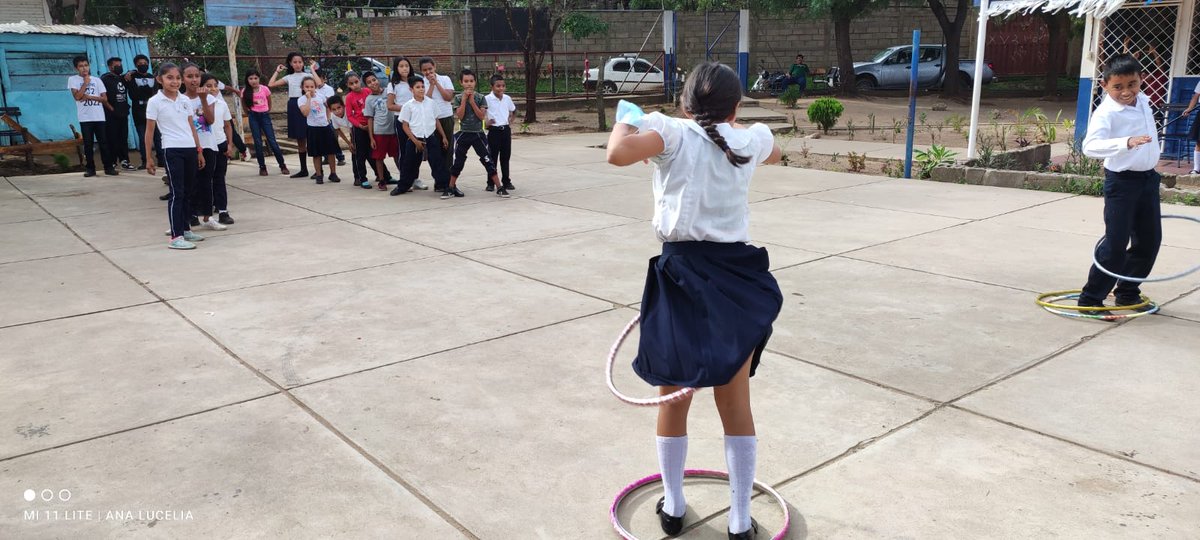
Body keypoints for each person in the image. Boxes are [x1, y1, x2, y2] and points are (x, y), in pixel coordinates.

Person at [604, 62, 783, 540]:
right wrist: (738, 134)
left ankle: (674, 507)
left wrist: (627, 117)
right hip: (736, 280)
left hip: (682, 276)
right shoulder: (750, 139)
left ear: (685, 105)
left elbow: (617, 153)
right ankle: (739, 521)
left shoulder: (672, 133)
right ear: (736, 107)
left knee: (673, 397)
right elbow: (775, 152)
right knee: (735, 401)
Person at [1076, 53, 1162, 317]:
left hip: (1148, 180)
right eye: (1118, 87)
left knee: (1149, 241)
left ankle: (1127, 292)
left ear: (1141, 80)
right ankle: (1090, 299)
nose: (1126, 92)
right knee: (1116, 243)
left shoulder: (1144, 100)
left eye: (1132, 84)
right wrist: (1126, 142)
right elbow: (1089, 147)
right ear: (1105, 85)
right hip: (1122, 183)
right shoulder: (1107, 113)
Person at [144, 62, 206, 250]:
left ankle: (186, 229)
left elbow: (191, 126)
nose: (175, 81)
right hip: (172, 150)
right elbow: (149, 131)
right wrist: (148, 157)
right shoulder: (155, 101)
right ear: (159, 79)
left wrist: (199, 150)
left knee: (188, 191)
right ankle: (175, 236)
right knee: (177, 193)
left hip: (190, 149)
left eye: (178, 78)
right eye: (169, 78)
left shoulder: (184, 100)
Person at [447, 68, 505, 198]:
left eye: (471, 81)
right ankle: (450, 187)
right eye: (466, 81)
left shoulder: (480, 98)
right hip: (464, 133)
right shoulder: (458, 98)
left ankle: (499, 187)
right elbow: (460, 116)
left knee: (487, 160)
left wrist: (472, 102)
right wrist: (464, 100)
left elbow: (481, 116)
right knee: (458, 161)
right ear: (461, 82)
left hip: (478, 134)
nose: (469, 84)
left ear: (475, 82)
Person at [183, 64, 225, 232]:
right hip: (188, 145)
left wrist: (202, 100)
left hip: (208, 145)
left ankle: (208, 217)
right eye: (189, 76)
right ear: (182, 79)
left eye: (197, 76)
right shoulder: (180, 99)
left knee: (206, 182)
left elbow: (210, 120)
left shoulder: (209, 98)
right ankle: (186, 218)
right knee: (189, 183)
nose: (194, 80)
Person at [392, 76, 449, 196]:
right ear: (411, 89)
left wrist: (443, 136)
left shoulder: (431, 103)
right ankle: (403, 186)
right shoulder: (408, 106)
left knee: (437, 162)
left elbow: (436, 120)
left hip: (430, 137)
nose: (421, 89)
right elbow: (405, 126)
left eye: (423, 86)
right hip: (415, 139)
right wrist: (415, 141)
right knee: (409, 164)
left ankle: (443, 185)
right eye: (417, 87)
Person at [268, 52, 321, 179]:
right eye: (294, 62)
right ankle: (303, 169)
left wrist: (312, 69)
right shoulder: (289, 77)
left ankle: (318, 170)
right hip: (294, 105)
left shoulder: (308, 75)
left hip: (307, 102)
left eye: (300, 62)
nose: (297, 64)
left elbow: (318, 83)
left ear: (303, 63)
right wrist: (277, 71)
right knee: (300, 139)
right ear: (290, 64)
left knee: (312, 137)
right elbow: (271, 84)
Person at [69, 56, 114, 177]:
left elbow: (104, 99)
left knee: (104, 143)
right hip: (85, 118)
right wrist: (85, 84)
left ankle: (108, 167)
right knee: (88, 144)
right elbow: (77, 97)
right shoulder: (73, 80)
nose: (84, 68)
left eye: (86, 65)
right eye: (81, 66)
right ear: (76, 68)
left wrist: (89, 97)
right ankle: (90, 168)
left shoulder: (97, 80)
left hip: (99, 117)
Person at [242, 69, 289, 176]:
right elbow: (244, 104)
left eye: (255, 78)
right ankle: (262, 167)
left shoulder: (264, 89)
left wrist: (266, 111)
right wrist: (249, 113)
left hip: (264, 116)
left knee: (272, 141)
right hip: (253, 116)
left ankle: (282, 165)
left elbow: (269, 101)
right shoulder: (245, 91)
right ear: (247, 80)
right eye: (250, 78)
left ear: (259, 79)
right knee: (258, 142)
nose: (253, 81)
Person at [202, 75, 235, 225]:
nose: (213, 89)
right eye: (208, 86)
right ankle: (200, 212)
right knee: (203, 180)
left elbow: (227, 126)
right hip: (205, 147)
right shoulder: (197, 104)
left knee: (219, 178)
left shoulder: (221, 104)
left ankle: (223, 211)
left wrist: (229, 144)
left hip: (220, 143)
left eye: (215, 85)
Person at [386, 56, 420, 189]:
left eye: (406, 66)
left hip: (416, 121)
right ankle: (405, 180)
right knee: (404, 150)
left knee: (417, 149)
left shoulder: (415, 82)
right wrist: (407, 108)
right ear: (396, 68)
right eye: (401, 66)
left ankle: (415, 178)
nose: (404, 68)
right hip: (401, 121)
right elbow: (390, 105)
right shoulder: (393, 85)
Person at [419, 57, 455, 180]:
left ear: (434, 67)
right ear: (421, 71)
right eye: (425, 70)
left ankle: (449, 180)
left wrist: (437, 83)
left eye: (430, 69)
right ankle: (438, 179)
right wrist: (431, 85)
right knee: (434, 150)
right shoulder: (421, 83)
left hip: (446, 117)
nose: (428, 72)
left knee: (448, 149)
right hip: (431, 120)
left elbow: (448, 97)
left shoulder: (445, 79)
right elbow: (425, 101)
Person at [298, 77, 340, 184]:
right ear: (302, 87)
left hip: (325, 126)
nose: (309, 89)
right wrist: (308, 99)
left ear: (315, 87)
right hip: (313, 128)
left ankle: (333, 173)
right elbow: (305, 113)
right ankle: (319, 174)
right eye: (307, 87)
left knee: (331, 151)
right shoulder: (301, 100)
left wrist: (328, 117)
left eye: (312, 86)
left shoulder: (321, 96)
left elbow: (328, 106)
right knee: (316, 154)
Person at [366, 72, 400, 192]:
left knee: (397, 155)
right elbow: (370, 118)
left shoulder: (389, 92)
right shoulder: (369, 99)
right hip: (379, 132)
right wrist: (371, 137)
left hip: (393, 130)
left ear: (378, 80)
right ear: (367, 86)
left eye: (374, 80)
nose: (373, 83)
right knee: (379, 158)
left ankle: (404, 178)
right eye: (369, 82)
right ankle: (381, 180)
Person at [343, 71, 377, 189]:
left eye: (356, 82)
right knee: (360, 155)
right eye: (351, 84)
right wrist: (359, 125)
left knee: (375, 152)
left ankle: (383, 175)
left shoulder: (367, 91)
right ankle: (362, 178)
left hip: (372, 126)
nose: (355, 85)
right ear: (348, 85)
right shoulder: (349, 97)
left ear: (360, 81)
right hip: (359, 129)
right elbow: (349, 116)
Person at [101, 56, 135, 171]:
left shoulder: (122, 78)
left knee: (123, 138)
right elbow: (102, 96)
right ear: (110, 67)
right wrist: (110, 108)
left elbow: (133, 73)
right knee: (112, 138)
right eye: (117, 66)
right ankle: (112, 162)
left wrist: (130, 73)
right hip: (111, 114)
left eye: (120, 65)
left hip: (123, 113)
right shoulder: (105, 79)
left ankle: (125, 161)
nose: (119, 67)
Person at [485, 74, 517, 192]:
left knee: (505, 157)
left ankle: (506, 181)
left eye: (503, 86)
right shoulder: (487, 99)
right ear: (492, 87)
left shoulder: (507, 98)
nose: (501, 88)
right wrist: (486, 122)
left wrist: (511, 120)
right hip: (494, 130)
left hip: (505, 130)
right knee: (492, 158)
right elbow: (481, 113)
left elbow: (514, 110)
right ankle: (491, 182)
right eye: (498, 86)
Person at [128, 54, 159, 169]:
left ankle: (161, 160)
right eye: (140, 64)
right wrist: (146, 91)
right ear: (136, 65)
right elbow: (133, 95)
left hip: (154, 111)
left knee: (157, 137)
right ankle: (145, 160)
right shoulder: (132, 77)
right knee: (143, 137)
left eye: (145, 63)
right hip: (139, 112)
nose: (143, 65)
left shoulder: (152, 77)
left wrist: (143, 90)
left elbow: (155, 93)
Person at [329, 96, 362, 188]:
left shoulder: (349, 112)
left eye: (339, 108)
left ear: (343, 106)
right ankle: (357, 177)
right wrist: (349, 143)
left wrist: (352, 142)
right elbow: (338, 130)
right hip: (353, 133)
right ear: (330, 110)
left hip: (360, 130)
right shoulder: (333, 116)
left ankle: (382, 175)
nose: (337, 111)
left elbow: (353, 129)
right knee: (354, 155)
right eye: (334, 109)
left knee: (369, 155)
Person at [317, 71, 346, 166]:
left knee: (333, 139)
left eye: (318, 78)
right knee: (322, 139)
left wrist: (329, 117)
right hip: (319, 119)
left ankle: (340, 157)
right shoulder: (314, 89)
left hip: (329, 118)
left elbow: (329, 104)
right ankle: (326, 157)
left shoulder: (328, 89)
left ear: (323, 78)